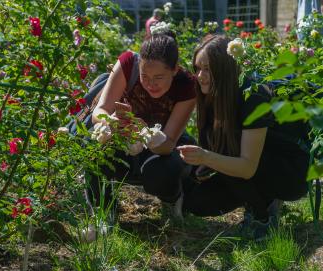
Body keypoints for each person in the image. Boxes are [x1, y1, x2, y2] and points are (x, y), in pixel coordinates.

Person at [178, 35, 310, 241]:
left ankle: (264, 217)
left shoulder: (252, 96)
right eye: (197, 68)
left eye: (208, 69)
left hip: (290, 171)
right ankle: (257, 201)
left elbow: (246, 167)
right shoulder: (212, 97)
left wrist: (206, 157)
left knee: (227, 155)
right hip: (248, 165)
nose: (200, 75)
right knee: (197, 203)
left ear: (225, 69)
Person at [86, 30, 196, 230]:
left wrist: (147, 134)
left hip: (158, 150)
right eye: (145, 76)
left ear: (174, 70)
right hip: (123, 141)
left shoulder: (186, 85)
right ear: (138, 66)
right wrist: (109, 122)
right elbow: (99, 111)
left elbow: (168, 143)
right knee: (93, 151)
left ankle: (171, 199)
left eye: (159, 77)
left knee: (162, 171)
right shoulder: (128, 64)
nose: (151, 84)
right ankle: (104, 209)